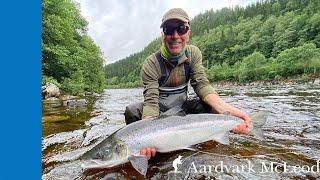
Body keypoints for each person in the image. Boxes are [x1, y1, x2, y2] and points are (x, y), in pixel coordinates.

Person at [124, 8, 251, 158]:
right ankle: (145, 149)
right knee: (132, 111)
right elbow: (151, 102)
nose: (175, 36)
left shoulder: (193, 54)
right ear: (163, 35)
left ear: (188, 34)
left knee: (210, 106)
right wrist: (146, 137)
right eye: (169, 30)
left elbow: (201, 84)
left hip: (181, 109)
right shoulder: (151, 63)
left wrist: (226, 110)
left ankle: (214, 132)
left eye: (181, 29)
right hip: (159, 113)